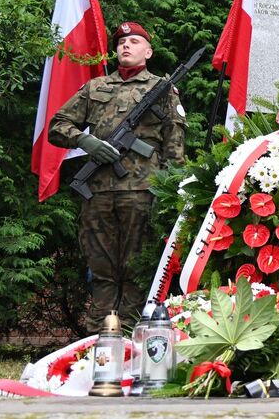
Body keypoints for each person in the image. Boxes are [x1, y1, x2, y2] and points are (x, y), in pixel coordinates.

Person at [49, 22, 186, 331]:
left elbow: (174, 144)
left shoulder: (162, 89)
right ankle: (97, 341)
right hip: (97, 193)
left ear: (148, 52)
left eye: (135, 41)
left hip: (143, 192)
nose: (126, 45)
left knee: (137, 271)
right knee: (101, 270)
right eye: (122, 42)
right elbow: (57, 126)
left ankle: (129, 339)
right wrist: (85, 141)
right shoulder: (95, 87)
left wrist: (171, 195)